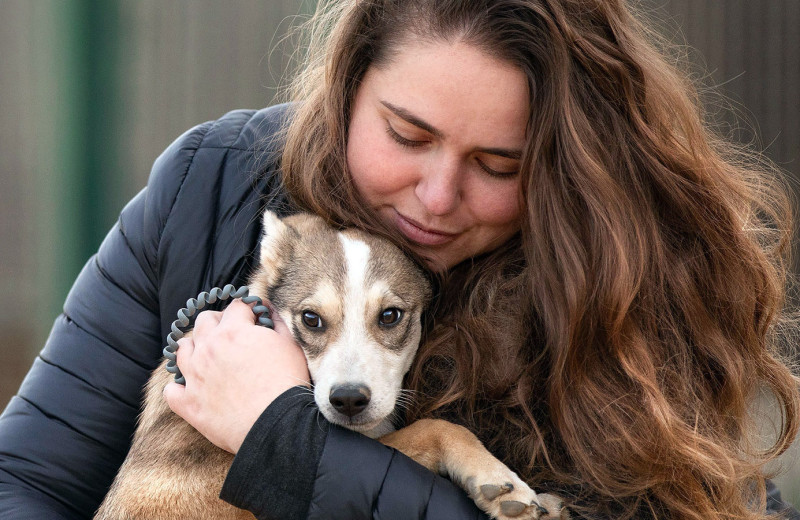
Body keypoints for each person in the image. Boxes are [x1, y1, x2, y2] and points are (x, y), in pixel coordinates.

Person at [1, 0, 798, 518]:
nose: (437, 195)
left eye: (497, 165)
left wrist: (285, 439)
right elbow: (28, 481)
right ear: (349, 89)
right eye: (407, 136)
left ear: (565, 170)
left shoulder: (629, 296)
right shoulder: (213, 185)